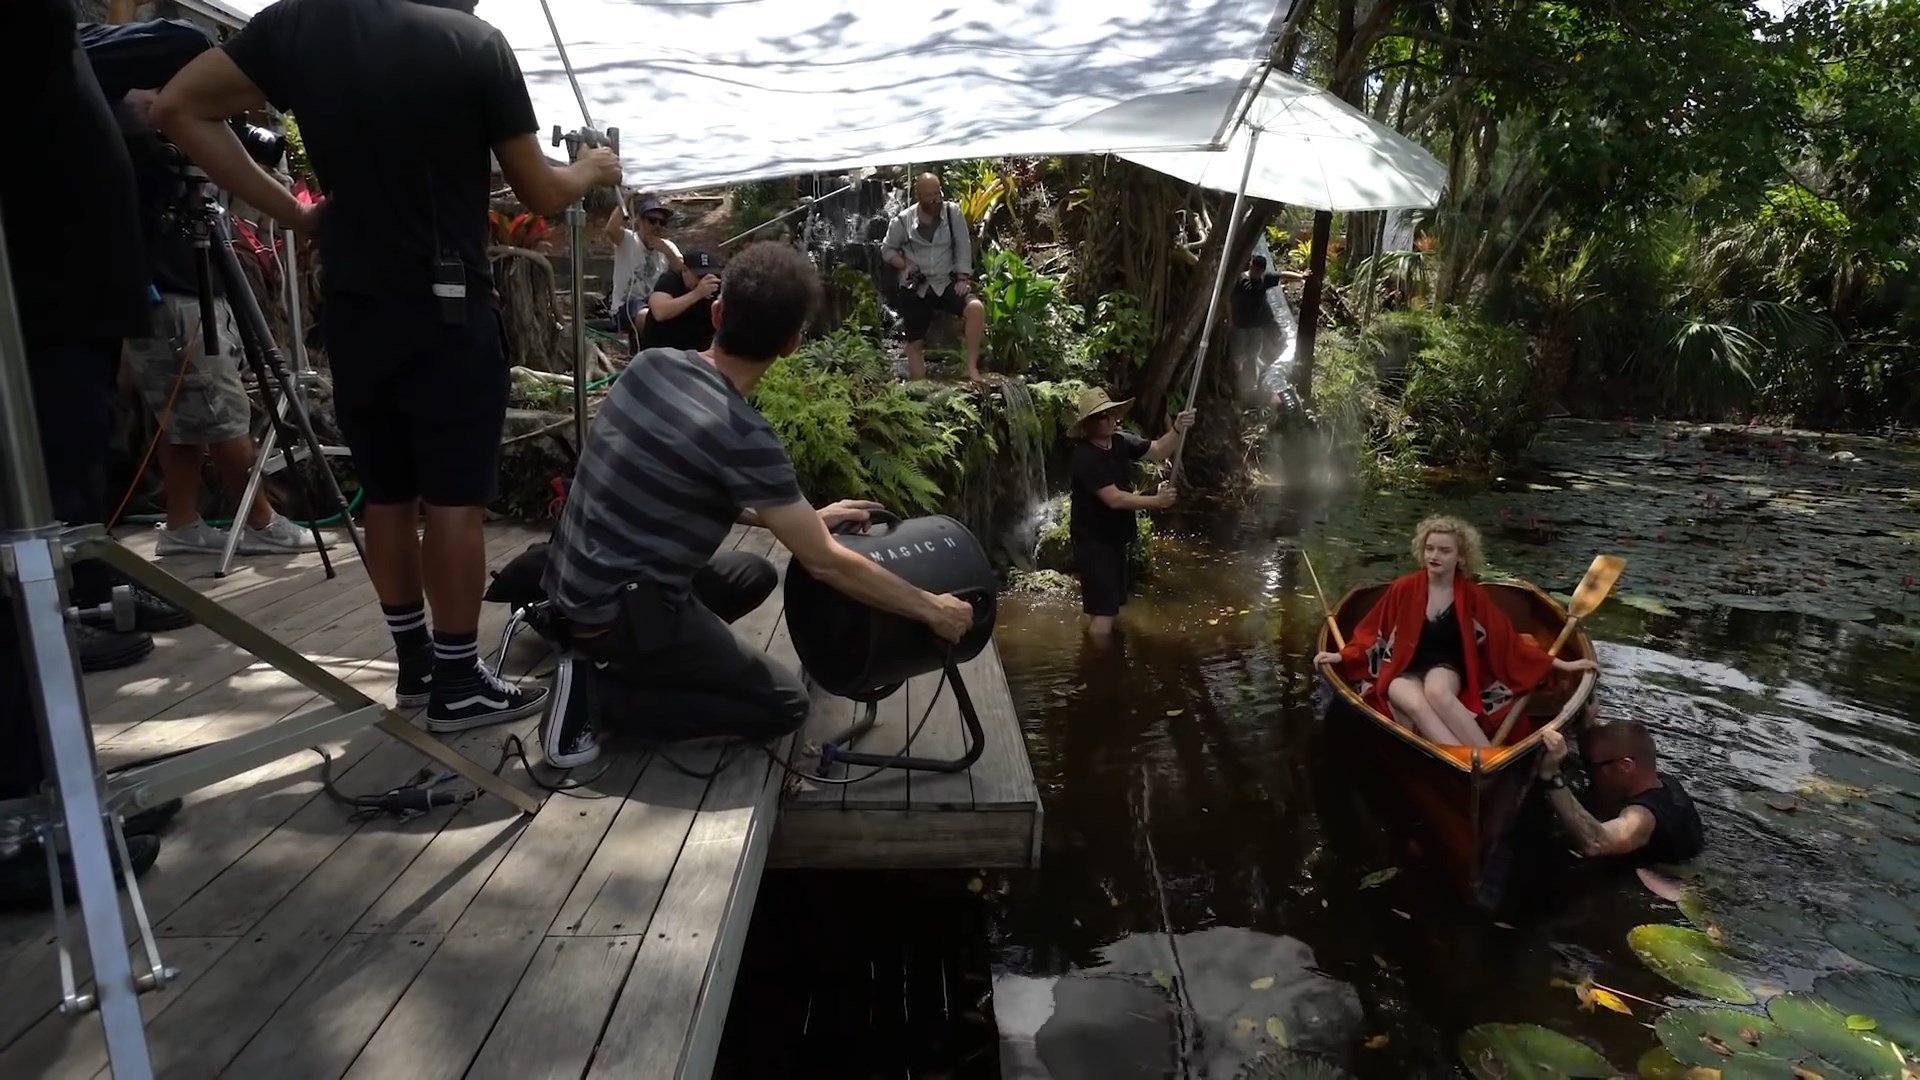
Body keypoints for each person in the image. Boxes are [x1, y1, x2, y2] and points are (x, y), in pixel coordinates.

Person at [153, 0, 622, 731]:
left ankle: (417, 669)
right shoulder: (473, 43)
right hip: (446, 306)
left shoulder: (298, 24)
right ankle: (459, 680)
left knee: (389, 494)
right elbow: (540, 189)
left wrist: (295, 212)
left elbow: (178, 109)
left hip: (354, 303)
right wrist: (589, 169)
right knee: (455, 500)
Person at [540, 242, 976, 767]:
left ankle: (617, 656)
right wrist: (934, 608)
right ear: (791, 344)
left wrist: (810, 519)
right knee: (783, 705)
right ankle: (601, 699)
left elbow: (681, 477)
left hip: (571, 583)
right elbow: (826, 563)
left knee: (753, 575)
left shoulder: (650, 365)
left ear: (717, 312)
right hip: (614, 614)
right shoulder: (745, 436)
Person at [1, 0, 179, 908]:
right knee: (20, 569)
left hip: (58, 322)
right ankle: (18, 820)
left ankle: (56, 786)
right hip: (31, 324)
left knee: (46, 559)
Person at [1313, 516, 1596, 747]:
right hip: (1402, 669)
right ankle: (1466, 763)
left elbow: (1506, 642)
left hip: (1445, 667)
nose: (1434, 556)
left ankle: (1484, 756)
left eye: (1444, 550)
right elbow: (1373, 632)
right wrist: (1340, 657)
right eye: (1429, 549)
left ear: (1461, 557)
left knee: (1437, 693)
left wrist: (1562, 664)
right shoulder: (1404, 588)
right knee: (1415, 704)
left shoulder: (1471, 596)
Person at [1066, 388, 1194, 637]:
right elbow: (1114, 499)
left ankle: (1095, 650)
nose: (1111, 420)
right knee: (1104, 613)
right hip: (1093, 542)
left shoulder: (1121, 442)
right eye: (1103, 416)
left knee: (1106, 607)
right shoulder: (1085, 456)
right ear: (1088, 424)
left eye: (1111, 414)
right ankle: (1100, 658)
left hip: (1116, 538)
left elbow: (1159, 449)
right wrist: (1156, 501)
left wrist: (1178, 429)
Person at [1537, 713, 1704, 864]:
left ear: (1625, 766)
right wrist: (1585, 722)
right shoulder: (1662, 781)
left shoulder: (1643, 818)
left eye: (1592, 765)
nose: (1588, 771)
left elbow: (1596, 842)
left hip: (1647, 879)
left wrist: (1552, 777)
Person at [881, 173, 985, 382]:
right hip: (916, 286)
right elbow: (887, 249)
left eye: (937, 193)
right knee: (915, 344)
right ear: (919, 196)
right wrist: (904, 264)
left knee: (976, 309)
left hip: (945, 281)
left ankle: (971, 369)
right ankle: (920, 389)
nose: (935, 199)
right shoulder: (903, 221)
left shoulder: (952, 213)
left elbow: (963, 245)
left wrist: (962, 277)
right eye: (929, 195)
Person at [604, 192, 683, 355]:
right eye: (652, 220)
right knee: (646, 315)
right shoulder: (628, 239)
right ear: (639, 221)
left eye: (662, 222)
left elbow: (683, 272)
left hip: (656, 303)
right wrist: (626, 200)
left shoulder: (667, 247)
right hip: (626, 306)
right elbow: (611, 230)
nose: (657, 226)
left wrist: (667, 252)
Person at [1228, 255, 1302, 402]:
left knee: (1253, 355)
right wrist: (1229, 319)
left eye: (1259, 271)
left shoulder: (1264, 279)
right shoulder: (1240, 280)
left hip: (1255, 326)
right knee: (1237, 356)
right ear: (1251, 266)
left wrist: (1301, 276)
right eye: (1255, 270)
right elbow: (1227, 299)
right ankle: (1236, 386)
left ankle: (1252, 387)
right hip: (1239, 325)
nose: (1256, 273)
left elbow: (1283, 275)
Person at [640, 249, 723, 353]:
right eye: (700, 276)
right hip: (665, 348)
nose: (704, 280)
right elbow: (660, 312)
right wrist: (697, 293)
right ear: (685, 271)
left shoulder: (718, 285)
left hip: (699, 350)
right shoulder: (671, 280)